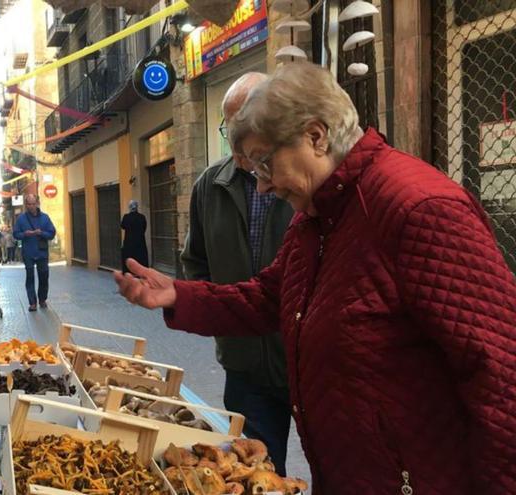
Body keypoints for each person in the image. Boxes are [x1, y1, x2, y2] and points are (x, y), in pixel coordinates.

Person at [114, 62, 516, 494]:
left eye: (265, 165)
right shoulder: (317, 217)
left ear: (316, 136)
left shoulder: (420, 209)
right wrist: (177, 294)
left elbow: (501, 376)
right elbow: (268, 298)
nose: (263, 187)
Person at [180, 72, 294, 476]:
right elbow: (195, 261)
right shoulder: (210, 185)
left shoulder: (304, 180)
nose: (237, 141)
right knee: (256, 471)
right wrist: (216, 312)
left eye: (245, 128)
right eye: (230, 129)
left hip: (307, 358)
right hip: (244, 360)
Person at [13, 194, 56, 311]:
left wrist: (40, 233)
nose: (31, 206)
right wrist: (25, 234)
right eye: (29, 204)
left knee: (44, 276)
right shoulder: (21, 219)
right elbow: (15, 234)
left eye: (33, 204)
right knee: (30, 277)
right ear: (26, 205)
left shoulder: (45, 218)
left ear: (37, 203)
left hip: (42, 252)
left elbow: (52, 233)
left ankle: (42, 299)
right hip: (28, 252)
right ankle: (32, 302)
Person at [120, 200, 149, 273]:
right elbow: (144, 227)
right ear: (137, 207)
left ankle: (129, 271)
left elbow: (122, 226)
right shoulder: (142, 217)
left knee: (129, 259)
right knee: (140, 259)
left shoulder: (126, 217)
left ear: (129, 207)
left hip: (128, 243)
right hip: (140, 243)